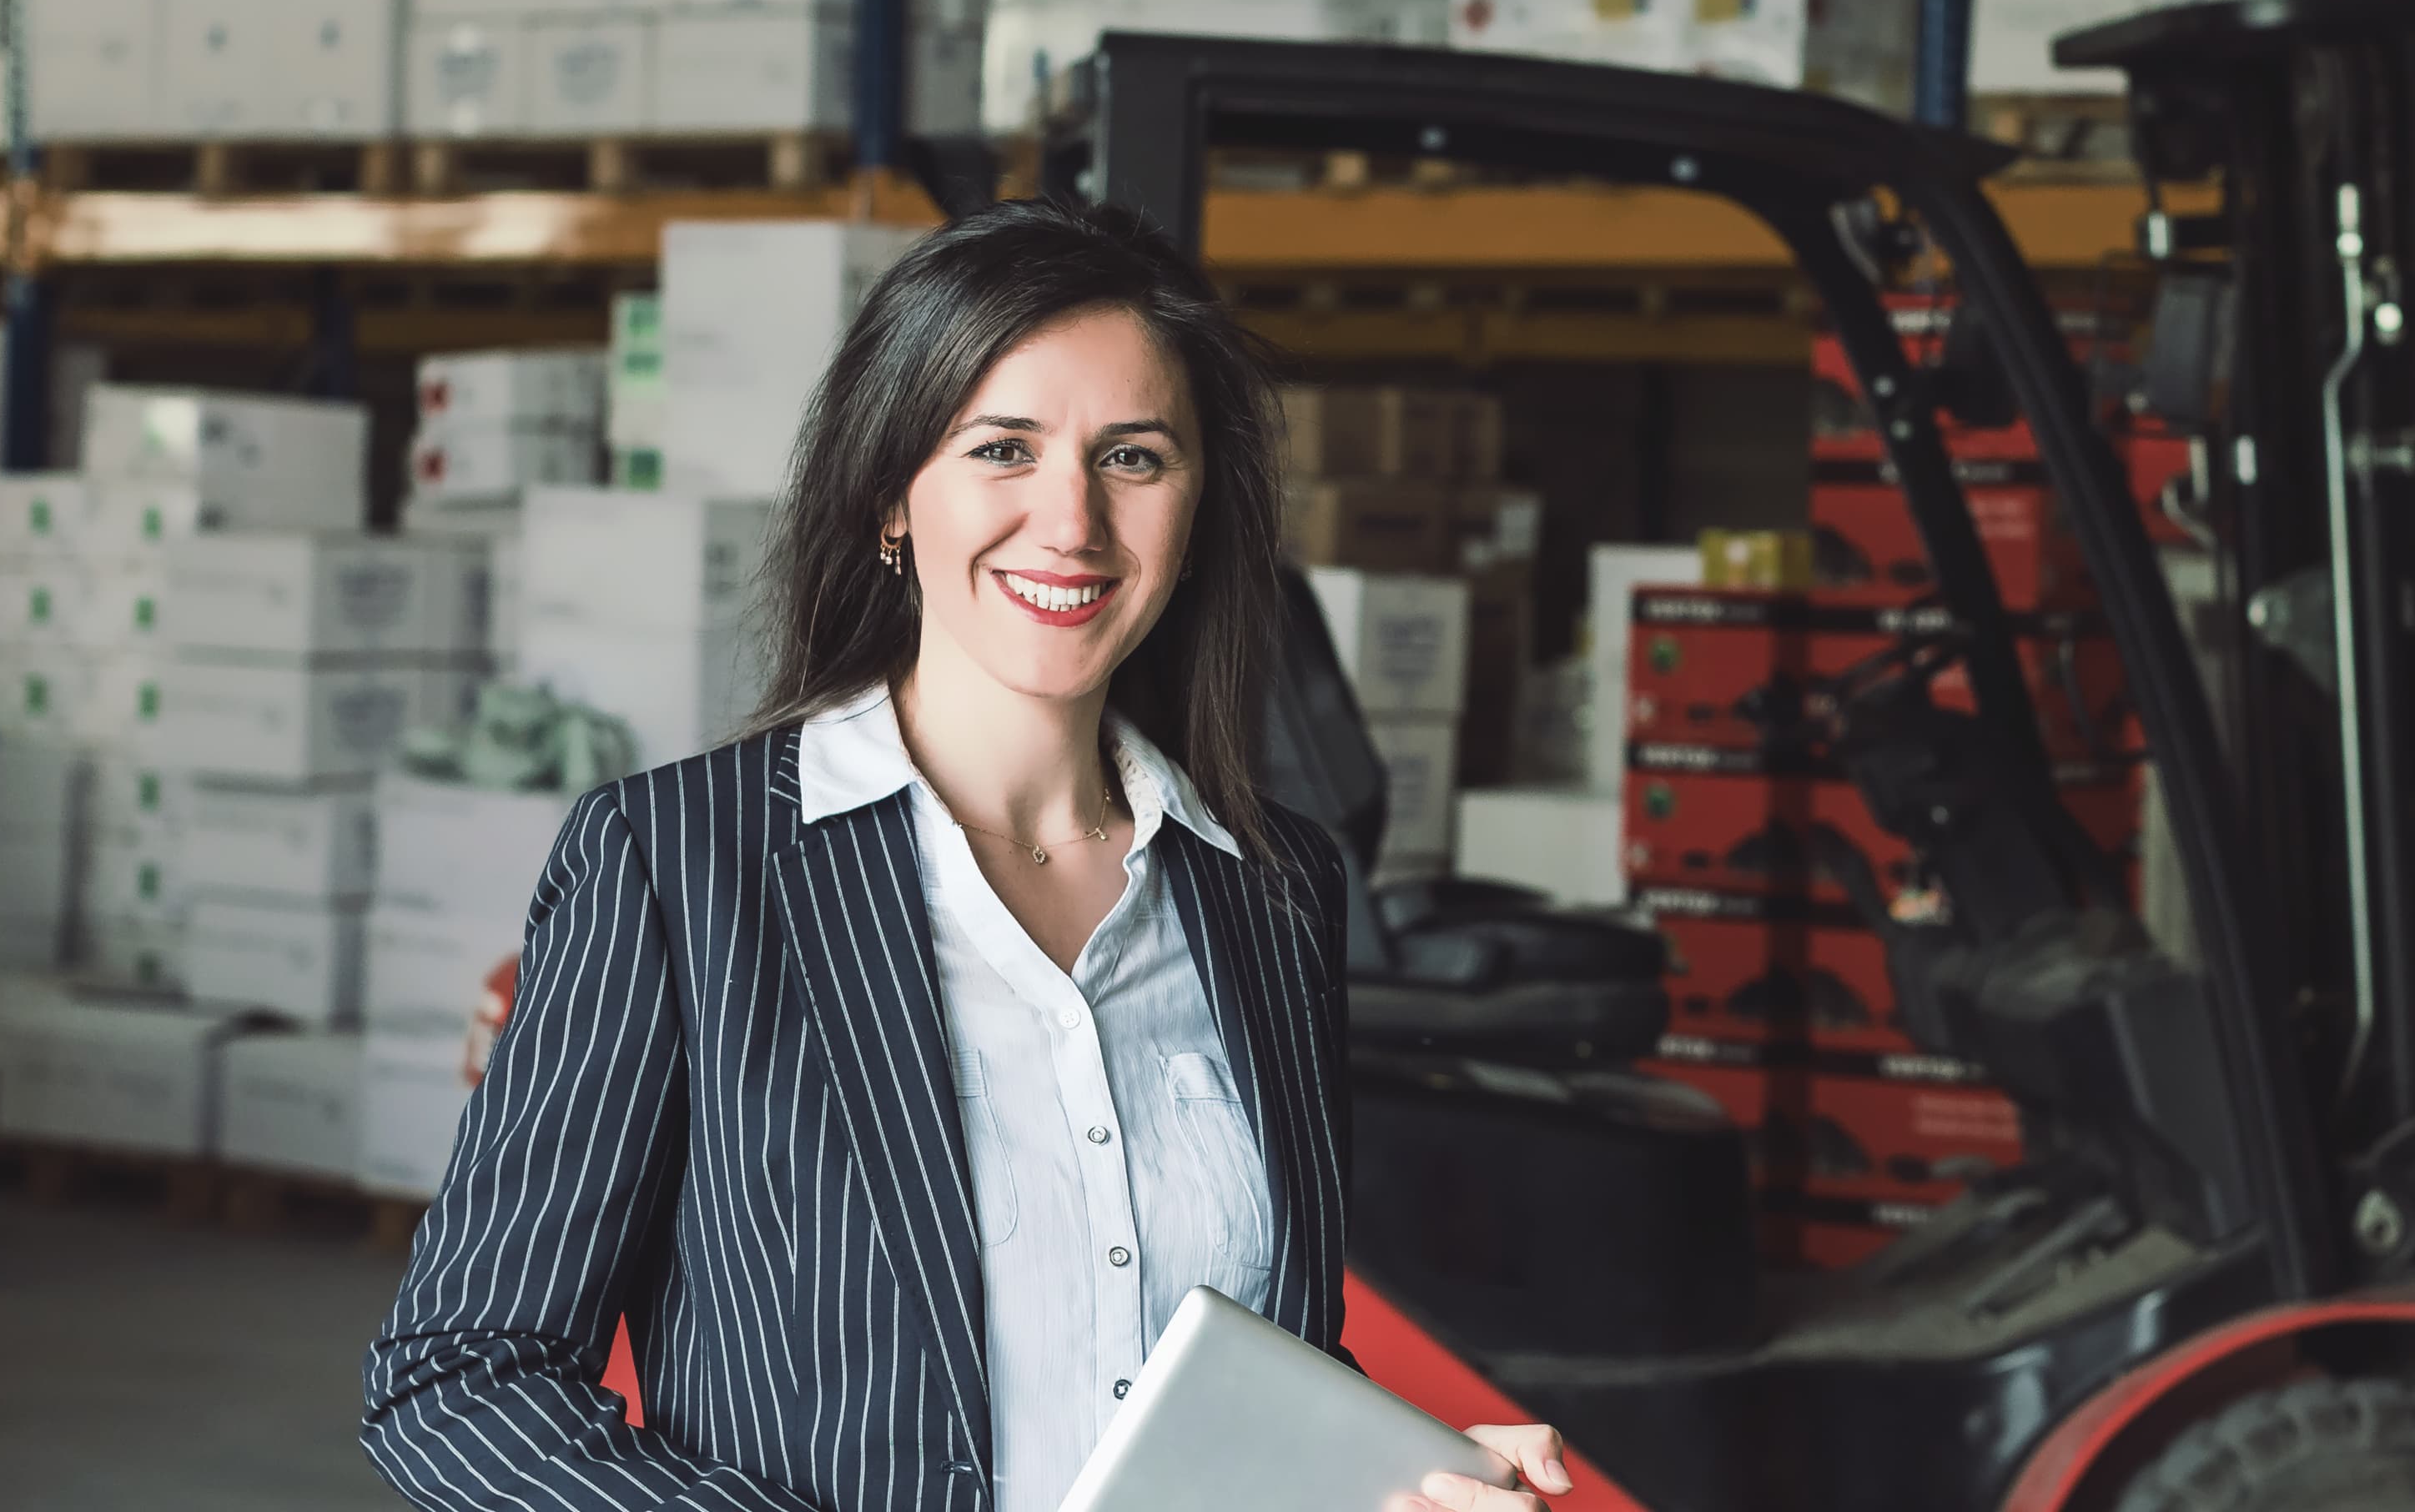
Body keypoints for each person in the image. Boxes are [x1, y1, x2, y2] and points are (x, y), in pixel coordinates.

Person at [362, 196, 1572, 1512]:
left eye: (1134, 459)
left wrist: (1392, 1474)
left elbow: (1252, 1366)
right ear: (892, 497)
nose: (1072, 523)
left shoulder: (1269, 890)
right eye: (1003, 448)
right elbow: (458, 1377)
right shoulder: (681, 867)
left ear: (1197, 506)